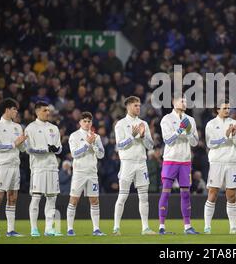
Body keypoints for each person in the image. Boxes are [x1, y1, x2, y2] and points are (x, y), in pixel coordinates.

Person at [113, 96, 157, 235]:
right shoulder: (120, 124)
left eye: (139, 105)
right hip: (127, 163)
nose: (138, 107)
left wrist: (143, 136)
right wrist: (132, 136)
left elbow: (150, 146)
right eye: (136, 105)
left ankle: (145, 228)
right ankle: (116, 228)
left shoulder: (143, 123)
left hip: (141, 163)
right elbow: (119, 145)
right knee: (123, 195)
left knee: (144, 196)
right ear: (128, 106)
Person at [158, 96, 199, 234]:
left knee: (186, 194)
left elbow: (195, 142)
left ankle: (187, 227)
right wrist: (180, 130)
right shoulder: (167, 119)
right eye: (182, 101)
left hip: (185, 161)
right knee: (166, 192)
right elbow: (168, 140)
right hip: (170, 160)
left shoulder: (191, 120)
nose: (185, 103)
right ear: (173, 102)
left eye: (186, 101)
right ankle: (162, 227)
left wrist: (187, 132)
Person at [203, 99, 236, 234]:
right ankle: (207, 226)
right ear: (217, 110)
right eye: (224, 108)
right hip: (216, 162)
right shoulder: (211, 124)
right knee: (213, 193)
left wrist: (233, 136)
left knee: (232, 195)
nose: (227, 110)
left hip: (231, 162)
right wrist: (225, 136)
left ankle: (233, 227)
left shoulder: (235, 123)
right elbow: (210, 143)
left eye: (228, 108)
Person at [0, 98, 27, 237]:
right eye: (14, 109)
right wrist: (13, 144)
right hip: (2, 165)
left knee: (12, 198)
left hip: (14, 166)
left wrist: (24, 143)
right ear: (7, 110)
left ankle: (10, 230)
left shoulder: (18, 127)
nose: (16, 112)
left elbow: (21, 148)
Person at [25, 101, 62, 237]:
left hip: (52, 167)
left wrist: (57, 149)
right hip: (38, 167)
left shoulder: (54, 128)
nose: (48, 112)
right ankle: (34, 229)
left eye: (48, 110)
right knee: (36, 198)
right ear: (37, 112)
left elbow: (59, 147)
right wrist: (46, 149)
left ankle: (48, 229)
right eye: (45, 110)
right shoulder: (30, 128)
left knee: (51, 198)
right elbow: (29, 149)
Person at [67, 111, 106, 236]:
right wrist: (87, 143)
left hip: (92, 173)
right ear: (80, 122)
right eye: (84, 121)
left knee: (94, 200)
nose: (87, 123)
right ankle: (70, 229)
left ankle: (96, 229)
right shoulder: (74, 136)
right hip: (79, 172)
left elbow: (101, 154)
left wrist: (94, 144)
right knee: (74, 200)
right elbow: (74, 154)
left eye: (89, 121)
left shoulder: (96, 137)